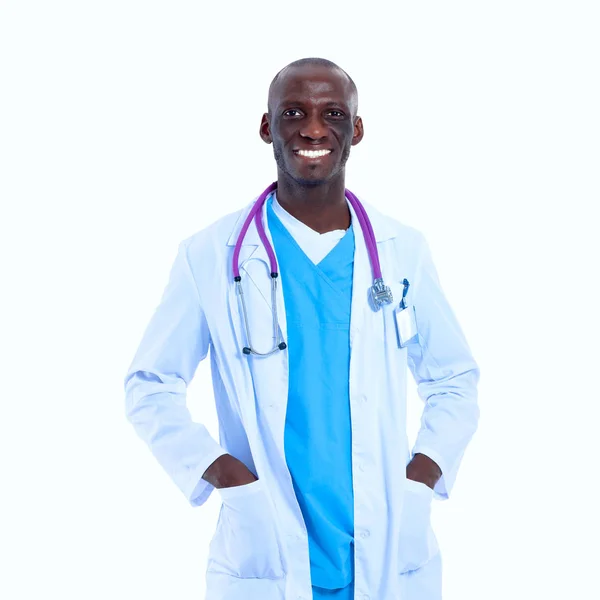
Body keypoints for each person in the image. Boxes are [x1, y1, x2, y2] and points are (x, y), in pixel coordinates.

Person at [124, 57, 480, 600]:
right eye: (293, 113)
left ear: (355, 130)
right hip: (265, 546)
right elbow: (150, 385)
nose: (313, 128)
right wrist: (220, 471)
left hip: (386, 545)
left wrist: (422, 475)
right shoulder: (209, 256)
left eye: (332, 113)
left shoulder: (402, 250)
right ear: (267, 127)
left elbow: (454, 377)